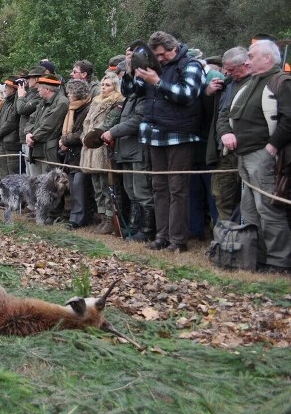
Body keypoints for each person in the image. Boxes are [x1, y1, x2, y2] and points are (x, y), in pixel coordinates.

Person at [122, 32, 206, 253]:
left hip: (180, 134)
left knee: (178, 189)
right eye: (155, 55)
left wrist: (158, 82)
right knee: (159, 188)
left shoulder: (191, 65)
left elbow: (188, 95)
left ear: (174, 48)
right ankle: (162, 236)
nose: (159, 59)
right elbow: (131, 92)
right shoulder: (153, 67)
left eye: (162, 54)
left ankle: (178, 241)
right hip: (154, 135)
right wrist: (131, 70)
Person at [218, 39, 291, 272]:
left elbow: (289, 118)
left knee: (269, 209)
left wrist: (273, 145)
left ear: (267, 58)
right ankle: (257, 257)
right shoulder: (251, 83)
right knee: (250, 209)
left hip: (263, 155)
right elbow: (228, 114)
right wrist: (227, 132)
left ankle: (278, 261)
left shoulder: (281, 81)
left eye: (251, 56)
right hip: (244, 156)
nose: (247, 60)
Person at [103, 55, 154, 242]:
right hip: (126, 150)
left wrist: (113, 131)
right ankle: (134, 226)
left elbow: (137, 120)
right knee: (131, 191)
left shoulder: (142, 94)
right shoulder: (130, 96)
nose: (121, 79)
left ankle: (147, 229)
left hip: (138, 149)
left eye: (123, 75)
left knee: (142, 192)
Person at [79, 73, 124, 235]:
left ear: (115, 87)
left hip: (103, 147)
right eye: (103, 84)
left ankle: (111, 219)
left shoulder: (117, 101)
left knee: (107, 186)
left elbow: (109, 123)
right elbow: (86, 124)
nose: (104, 88)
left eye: (108, 85)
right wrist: (84, 138)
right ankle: (103, 217)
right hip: (89, 148)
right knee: (97, 186)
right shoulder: (96, 102)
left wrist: (93, 138)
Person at [208, 47, 249, 221]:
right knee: (222, 196)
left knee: (249, 201)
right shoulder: (226, 84)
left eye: (232, 69)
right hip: (224, 152)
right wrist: (208, 93)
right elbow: (220, 114)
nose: (228, 73)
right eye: (226, 69)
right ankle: (224, 240)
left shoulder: (257, 84)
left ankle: (246, 241)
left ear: (246, 64)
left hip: (248, 150)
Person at [59, 79, 92, 229]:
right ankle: (75, 216)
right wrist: (63, 140)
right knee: (72, 187)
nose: (68, 96)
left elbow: (82, 133)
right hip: (71, 155)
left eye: (70, 93)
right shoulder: (72, 109)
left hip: (82, 155)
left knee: (79, 186)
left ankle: (78, 219)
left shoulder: (87, 109)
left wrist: (65, 140)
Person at [24, 76, 68, 175]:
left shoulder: (62, 102)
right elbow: (32, 120)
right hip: (37, 149)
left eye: (40, 87)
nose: (37, 89)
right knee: (36, 185)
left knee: (48, 186)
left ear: (47, 89)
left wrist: (33, 137)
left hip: (48, 152)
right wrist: (28, 133)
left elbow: (49, 126)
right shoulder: (42, 102)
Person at [15, 66, 46, 174]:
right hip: (24, 138)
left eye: (30, 78)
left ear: (37, 79)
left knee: (33, 176)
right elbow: (17, 109)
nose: (27, 80)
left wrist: (20, 97)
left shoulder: (39, 96)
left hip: (32, 138)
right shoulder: (29, 93)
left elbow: (21, 109)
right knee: (28, 175)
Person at [0, 77, 21, 179]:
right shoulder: (6, 102)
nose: (4, 89)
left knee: (13, 176)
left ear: (13, 89)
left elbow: (12, 122)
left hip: (12, 144)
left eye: (7, 87)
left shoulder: (16, 102)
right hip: (2, 143)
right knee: (3, 174)